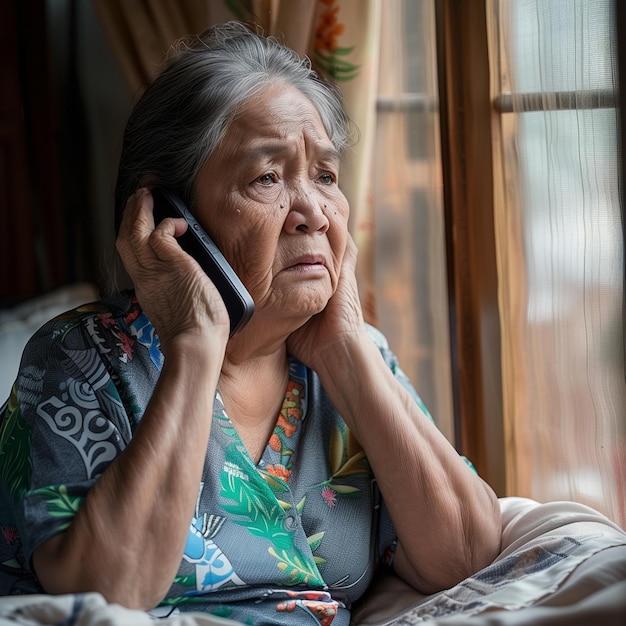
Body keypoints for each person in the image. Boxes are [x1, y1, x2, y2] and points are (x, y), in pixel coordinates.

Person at [0, 21, 501, 625]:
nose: (314, 212)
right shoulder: (81, 357)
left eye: (325, 175)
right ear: (169, 215)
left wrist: (348, 353)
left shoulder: (350, 360)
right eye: (267, 177)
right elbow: (108, 590)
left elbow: (468, 556)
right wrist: (195, 344)